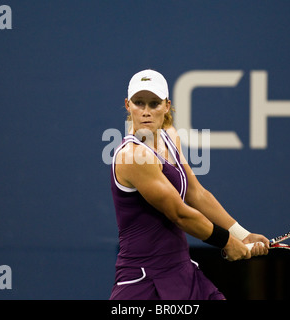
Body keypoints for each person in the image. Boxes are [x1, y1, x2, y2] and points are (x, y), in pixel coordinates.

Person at [109, 69, 269, 300]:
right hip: (143, 282)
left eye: (154, 104)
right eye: (138, 103)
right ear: (127, 105)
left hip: (182, 270)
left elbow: (196, 193)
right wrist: (227, 242)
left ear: (166, 106)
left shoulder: (169, 135)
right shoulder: (132, 156)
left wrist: (242, 235)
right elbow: (180, 214)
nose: (145, 111)